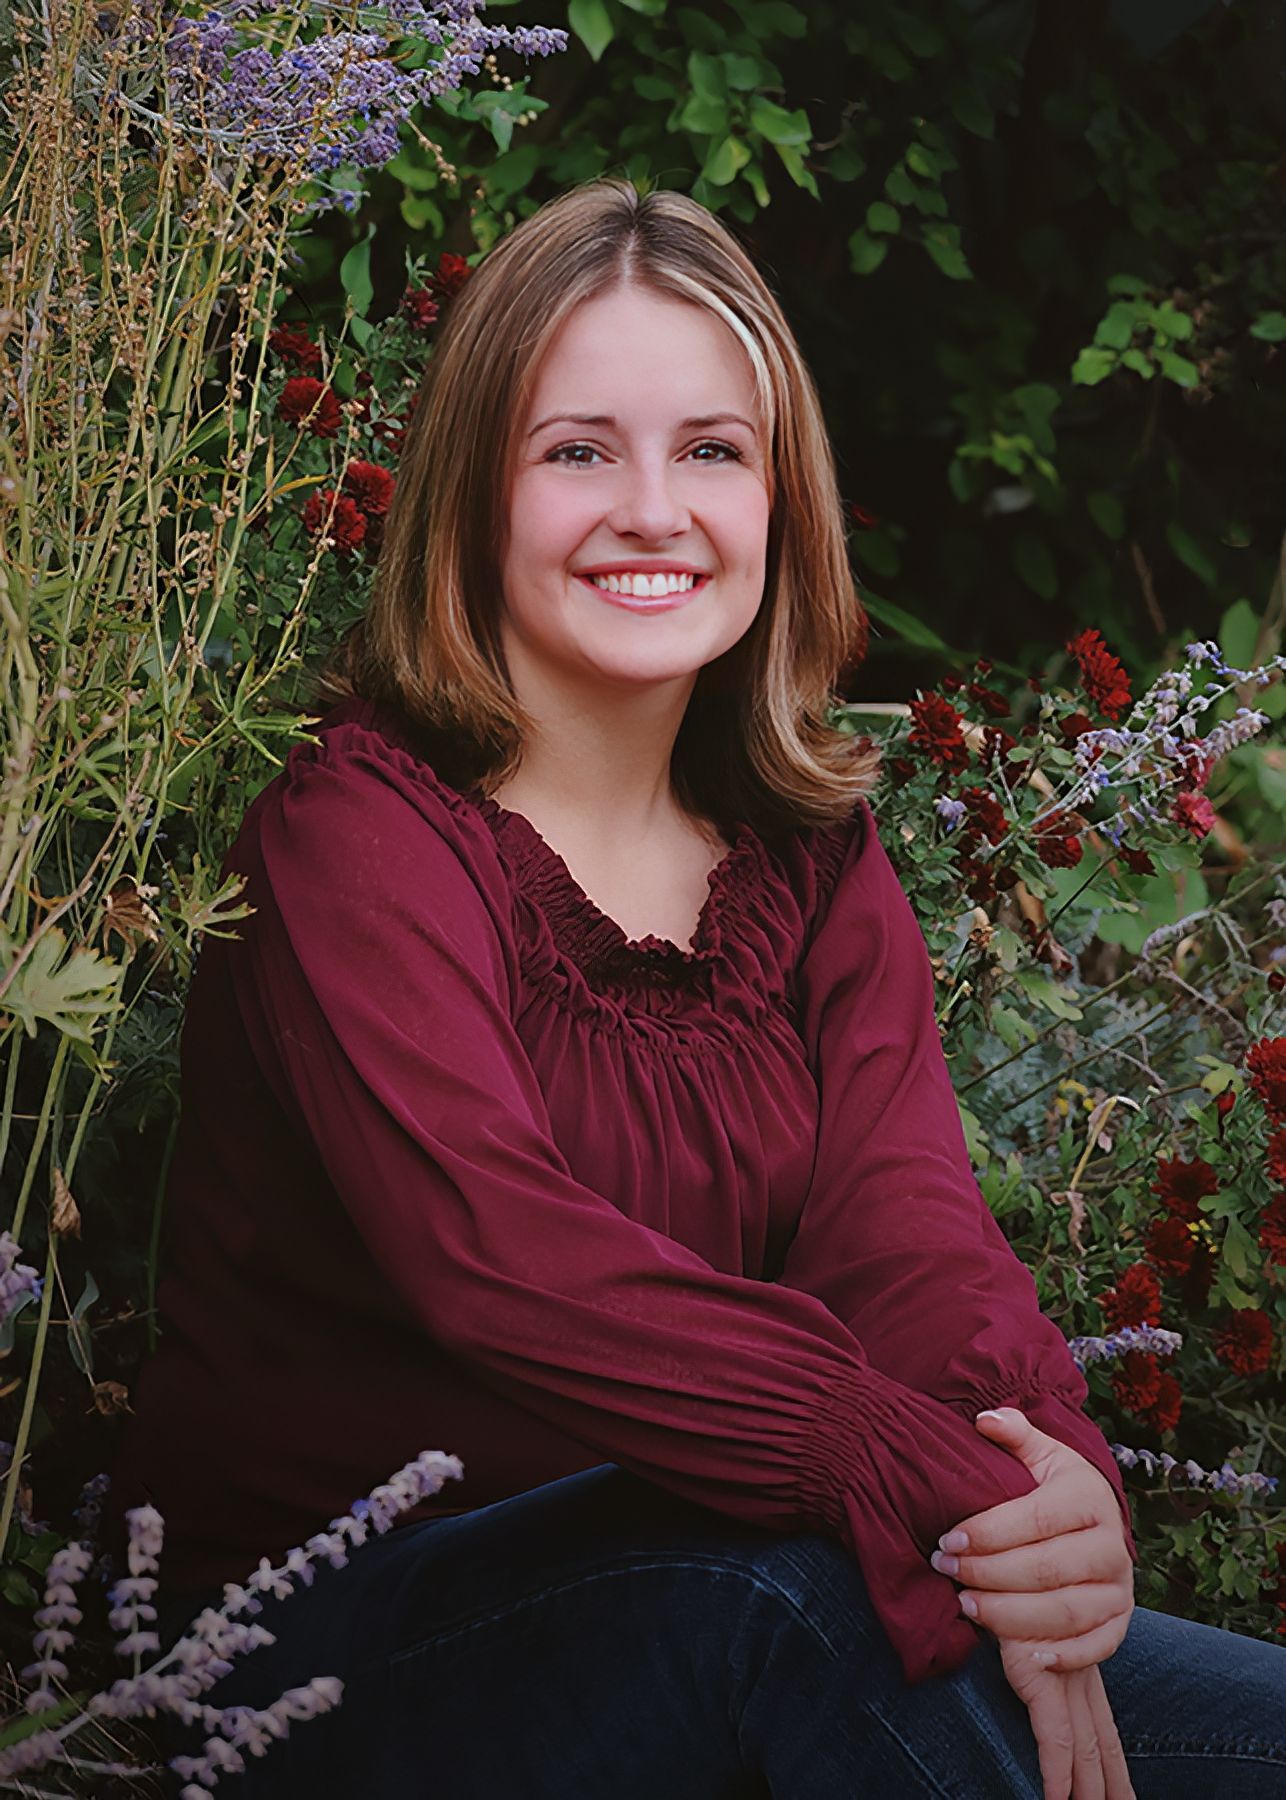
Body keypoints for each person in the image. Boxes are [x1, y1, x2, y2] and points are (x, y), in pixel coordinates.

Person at [107, 178, 1286, 1798]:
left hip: (726, 1585)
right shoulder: (354, 836)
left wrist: (1041, 1483)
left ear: (780, 500)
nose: (652, 508)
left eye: (712, 452)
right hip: (327, 1650)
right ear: (471, 493)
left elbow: (904, 1228)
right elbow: (498, 1257)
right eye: (577, 448)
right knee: (793, 1605)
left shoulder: (806, 861)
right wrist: (891, 1463)